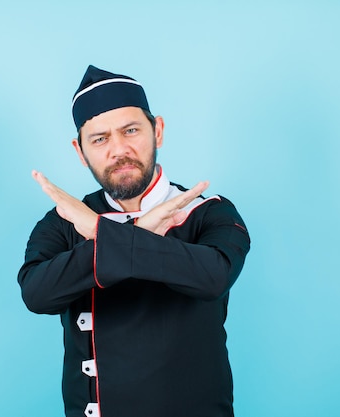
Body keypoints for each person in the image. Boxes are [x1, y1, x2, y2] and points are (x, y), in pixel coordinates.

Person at [18, 65, 251, 417]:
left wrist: (101, 233)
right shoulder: (65, 221)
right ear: (80, 151)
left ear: (157, 130)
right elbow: (37, 293)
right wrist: (136, 235)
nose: (119, 149)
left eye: (130, 130)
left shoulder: (209, 213)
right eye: (100, 139)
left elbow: (213, 277)